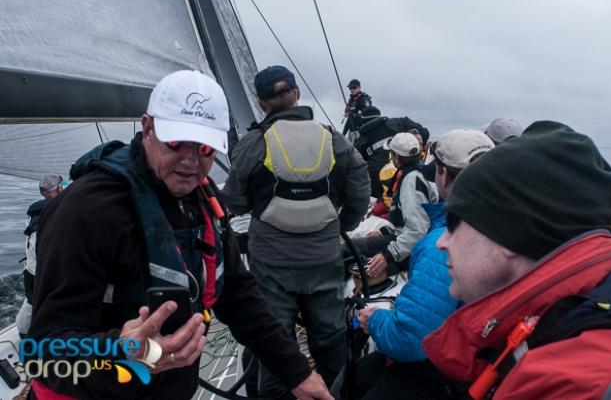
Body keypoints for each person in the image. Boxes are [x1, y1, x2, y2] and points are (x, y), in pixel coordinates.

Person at [28, 70, 332, 400]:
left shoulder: (202, 197)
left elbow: (239, 296)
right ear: (147, 128)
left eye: (204, 148)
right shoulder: (87, 211)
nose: (189, 161)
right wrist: (124, 354)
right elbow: (43, 358)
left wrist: (297, 373)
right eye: (176, 142)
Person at [423, 121, 611, 398]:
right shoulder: (592, 290)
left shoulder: (568, 383)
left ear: (506, 235)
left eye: (455, 225)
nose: (442, 242)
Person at [222, 65, 370, 399]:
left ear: (261, 103)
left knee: (276, 341)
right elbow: (359, 190)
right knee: (331, 339)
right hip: (324, 258)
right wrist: (338, 227)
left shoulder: (252, 143)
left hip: (271, 262)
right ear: (297, 93)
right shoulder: (333, 139)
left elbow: (234, 199)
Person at [354, 130, 493, 399]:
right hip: (477, 368)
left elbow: (407, 338)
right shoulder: (508, 231)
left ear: (443, 175)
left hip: (442, 376)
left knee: (362, 374)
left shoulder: (444, 245)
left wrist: (374, 320)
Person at [350, 132, 438, 278]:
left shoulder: (411, 181)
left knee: (351, 247)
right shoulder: (417, 173)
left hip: (411, 247)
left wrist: (388, 256)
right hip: (407, 240)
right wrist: (383, 231)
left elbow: (417, 230)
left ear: (396, 158)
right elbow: (407, 218)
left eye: (391, 155)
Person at [15, 174, 64, 337]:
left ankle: (23, 333)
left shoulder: (34, 212)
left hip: (30, 270)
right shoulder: (58, 211)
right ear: (59, 188)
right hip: (46, 272)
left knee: (30, 301)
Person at [353, 106, 429, 200]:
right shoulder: (398, 122)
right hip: (411, 172)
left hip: (377, 184)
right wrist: (418, 140)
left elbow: (354, 165)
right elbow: (425, 133)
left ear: (362, 120)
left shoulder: (361, 140)